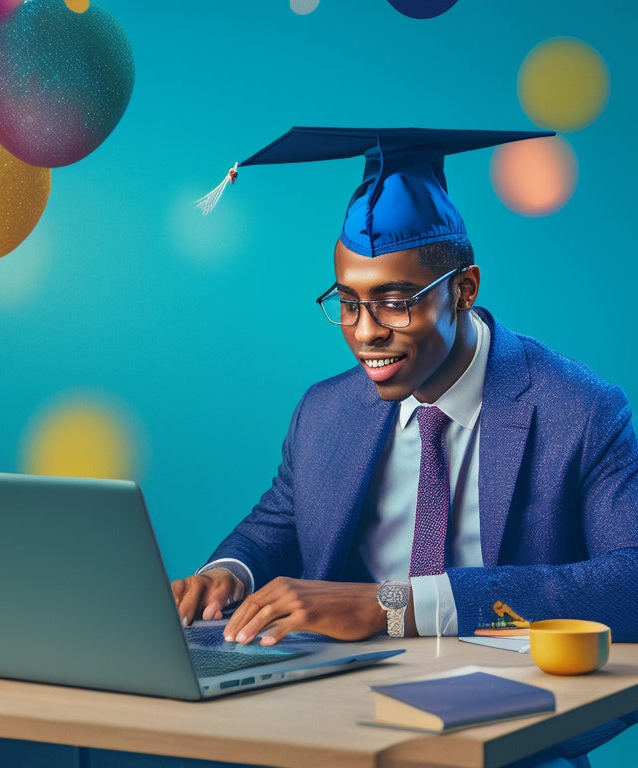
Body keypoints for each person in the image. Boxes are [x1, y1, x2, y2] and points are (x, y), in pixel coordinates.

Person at [174, 127, 638, 767]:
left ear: (465, 289)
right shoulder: (326, 410)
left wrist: (393, 607)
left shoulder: (579, 410)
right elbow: (280, 519)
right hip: (337, 714)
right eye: (347, 302)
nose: (366, 334)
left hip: (501, 723)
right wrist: (227, 573)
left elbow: (632, 582)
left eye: (394, 303)